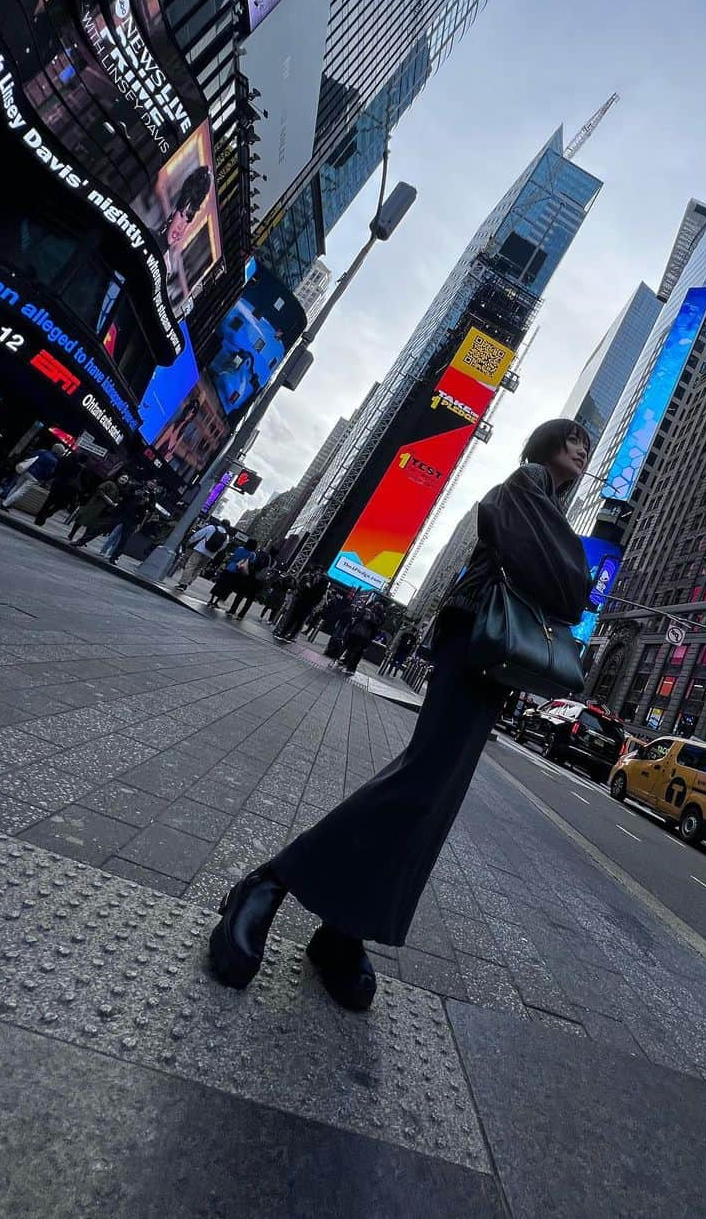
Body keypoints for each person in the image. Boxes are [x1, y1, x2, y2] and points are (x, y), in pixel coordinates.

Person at [207, 419, 591, 1012]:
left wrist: (571, 579)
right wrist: (571, 578)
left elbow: (571, 586)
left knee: (437, 799)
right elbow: (569, 585)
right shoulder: (526, 483)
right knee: (422, 780)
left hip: (500, 662)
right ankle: (270, 881)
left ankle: (344, 931)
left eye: (586, 446)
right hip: (478, 642)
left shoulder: (549, 506)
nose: (582, 450)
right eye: (573, 439)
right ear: (543, 444)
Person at [101, 477, 158, 564]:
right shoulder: (137, 486)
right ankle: (88, 543)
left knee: (124, 540)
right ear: (147, 481)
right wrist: (135, 494)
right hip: (124, 513)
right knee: (107, 529)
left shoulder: (152, 495)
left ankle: (113, 557)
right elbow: (125, 494)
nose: (152, 484)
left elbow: (152, 508)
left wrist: (148, 502)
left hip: (134, 519)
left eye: (154, 484)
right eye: (151, 482)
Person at [0, 443, 66, 510]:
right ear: (58, 452)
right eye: (61, 453)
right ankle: (5, 504)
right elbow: (48, 472)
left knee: (16, 487)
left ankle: (6, 502)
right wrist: (42, 478)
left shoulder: (42, 451)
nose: (61, 455)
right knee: (21, 491)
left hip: (26, 470)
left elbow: (30, 456)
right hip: (35, 477)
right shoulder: (54, 461)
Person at [33, 452, 92, 527]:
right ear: (85, 461)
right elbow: (85, 484)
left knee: (49, 501)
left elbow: (58, 471)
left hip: (58, 484)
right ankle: (49, 513)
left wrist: (49, 479)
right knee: (60, 504)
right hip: (70, 490)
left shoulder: (69, 462)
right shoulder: (85, 471)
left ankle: (39, 517)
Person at [337, 592, 387, 677]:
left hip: (362, 634)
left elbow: (375, 624)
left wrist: (369, 619)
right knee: (355, 650)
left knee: (354, 650)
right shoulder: (377, 612)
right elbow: (375, 625)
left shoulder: (375, 611)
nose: (378, 604)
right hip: (363, 634)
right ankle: (348, 664)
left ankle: (348, 664)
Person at [70, 473, 128, 543]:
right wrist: (108, 500)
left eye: (126, 479)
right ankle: (71, 534)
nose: (123, 480)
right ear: (118, 477)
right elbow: (99, 490)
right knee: (82, 519)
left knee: (91, 524)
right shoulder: (109, 483)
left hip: (102, 509)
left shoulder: (119, 490)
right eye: (123, 477)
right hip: (95, 505)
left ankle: (82, 539)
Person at [273, 569, 328, 643]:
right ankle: (285, 634)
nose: (317, 576)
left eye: (319, 575)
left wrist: (308, 588)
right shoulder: (314, 583)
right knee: (294, 619)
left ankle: (289, 635)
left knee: (298, 621)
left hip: (306, 604)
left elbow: (312, 594)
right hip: (303, 603)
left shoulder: (318, 587)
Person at [176, 518, 229, 590]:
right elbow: (222, 547)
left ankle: (183, 584)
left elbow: (198, 535)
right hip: (210, 555)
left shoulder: (211, 527)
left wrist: (190, 541)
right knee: (199, 568)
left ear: (221, 523)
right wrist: (214, 551)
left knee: (191, 565)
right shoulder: (227, 536)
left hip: (200, 550)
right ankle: (189, 581)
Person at [207, 537, 257, 610]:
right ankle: (216, 602)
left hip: (229, 568)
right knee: (227, 588)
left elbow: (232, 557)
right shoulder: (252, 554)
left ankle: (211, 600)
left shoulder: (240, 548)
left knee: (220, 584)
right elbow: (250, 564)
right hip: (238, 571)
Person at [227, 543, 272, 619]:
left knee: (240, 595)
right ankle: (241, 615)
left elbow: (251, 563)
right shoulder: (271, 560)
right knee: (250, 599)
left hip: (249, 577)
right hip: (258, 581)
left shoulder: (259, 554)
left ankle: (232, 610)